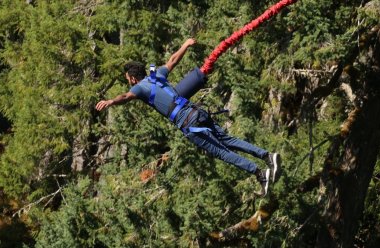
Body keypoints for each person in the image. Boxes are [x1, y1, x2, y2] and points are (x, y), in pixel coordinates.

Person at [95, 38, 281, 196]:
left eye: (128, 80)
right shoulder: (156, 75)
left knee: (221, 151)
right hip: (196, 111)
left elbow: (126, 97)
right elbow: (172, 61)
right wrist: (185, 44)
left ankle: (260, 173)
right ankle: (267, 156)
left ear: (133, 79)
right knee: (227, 139)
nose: (129, 83)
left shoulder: (139, 88)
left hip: (186, 121)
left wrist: (111, 101)